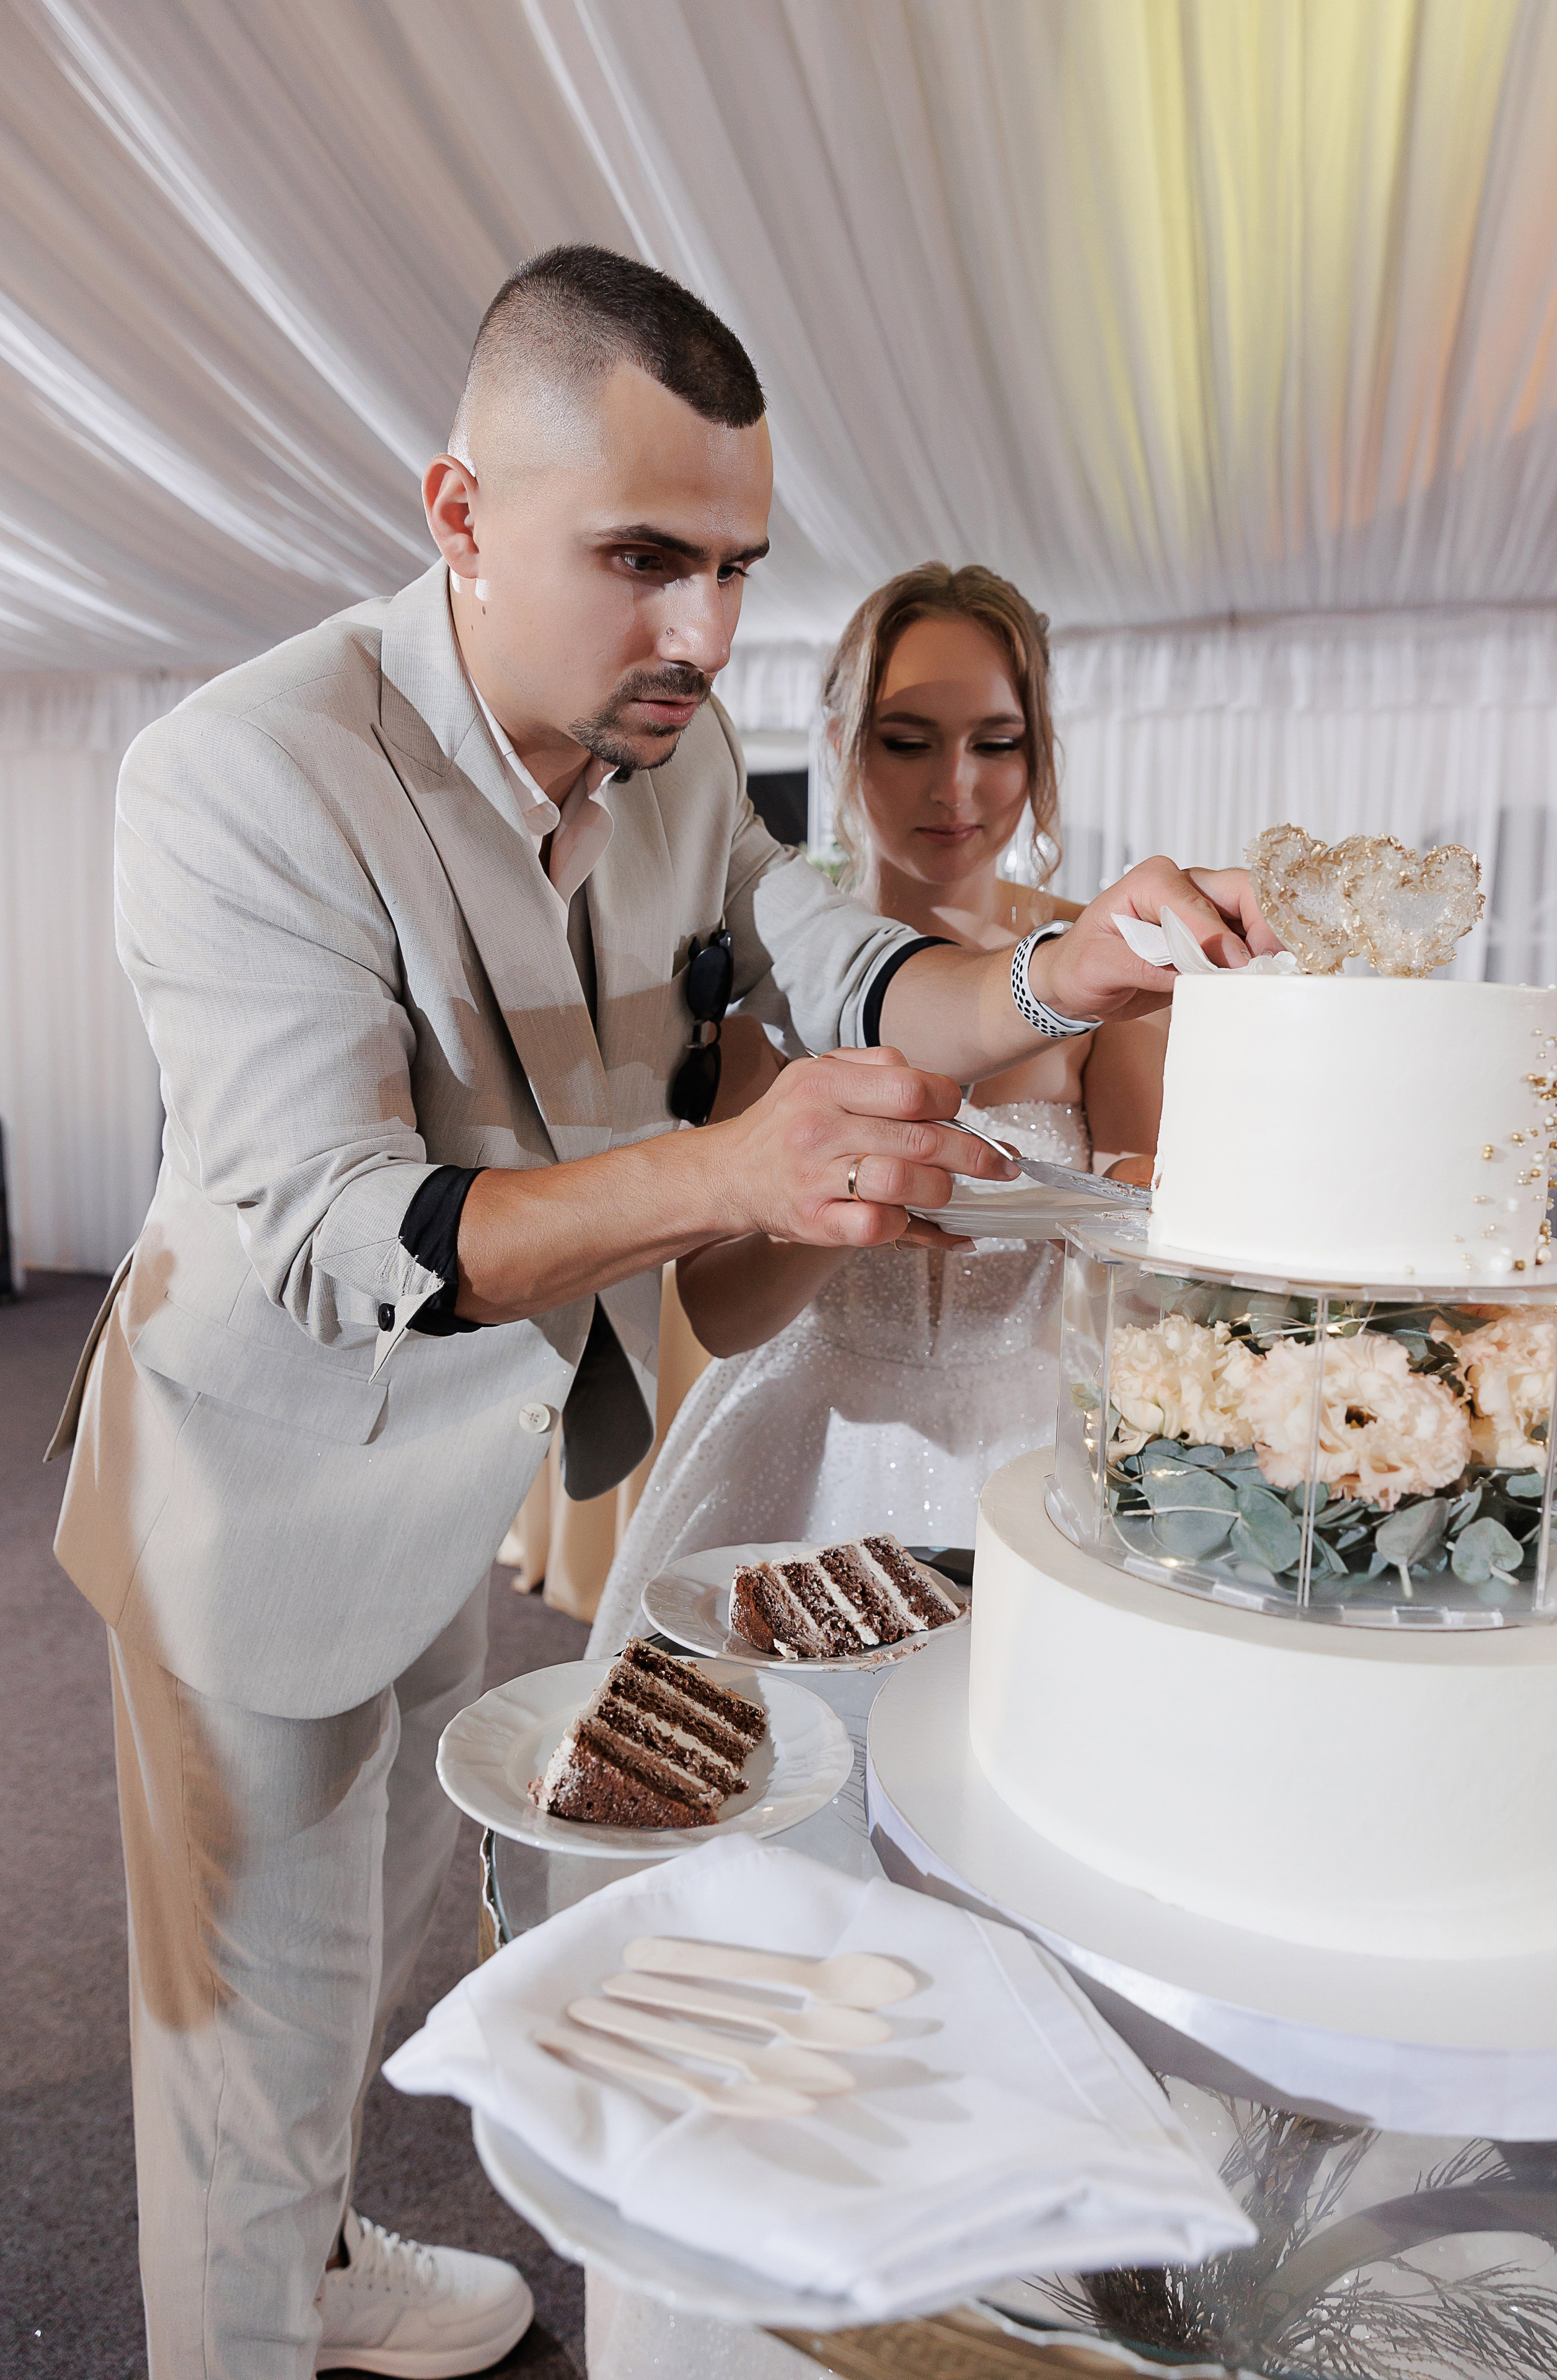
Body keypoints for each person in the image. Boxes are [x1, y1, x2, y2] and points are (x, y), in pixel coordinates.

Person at [50, 244, 1277, 2379]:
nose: (707, 637)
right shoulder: (237, 771)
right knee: (240, 2048)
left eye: (735, 568)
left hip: (462, 1464)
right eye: (642, 561)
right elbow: (355, 1231)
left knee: (397, 1933)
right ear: (458, 516)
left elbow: (854, 962)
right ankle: (251, 2315)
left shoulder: (671, 753)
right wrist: (740, 1170)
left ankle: (334, 2268)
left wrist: (1075, 976)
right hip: (248, 1489)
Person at [589, 564, 1165, 1655]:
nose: (956, 788)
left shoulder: (1105, 971)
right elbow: (722, 1316)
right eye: (909, 741)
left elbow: (1149, 1245)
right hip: (806, 1446)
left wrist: (1142, 1217)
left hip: (1036, 1451)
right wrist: (853, 1188)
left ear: (1037, 752)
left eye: (995, 743)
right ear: (846, 740)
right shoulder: (766, 979)